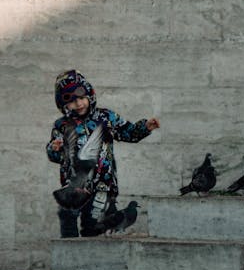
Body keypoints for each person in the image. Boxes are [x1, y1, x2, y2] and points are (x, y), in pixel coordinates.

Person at [46, 69, 160, 238]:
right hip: (73, 187)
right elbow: (57, 155)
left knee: (94, 226)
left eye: (82, 97)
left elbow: (127, 132)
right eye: (72, 101)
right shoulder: (62, 125)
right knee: (68, 222)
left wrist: (144, 127)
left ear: (90, 94)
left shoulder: (106, 117)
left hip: (102, 186)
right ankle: (70, 258)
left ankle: (94, 259)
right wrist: (55, 149)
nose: (79, 104)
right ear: (63, 105)